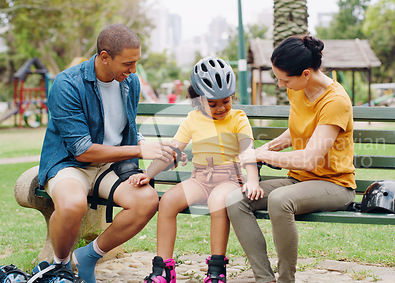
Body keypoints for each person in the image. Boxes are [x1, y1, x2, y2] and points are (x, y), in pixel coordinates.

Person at [36, 24, 177, 283]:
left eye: (136, 62)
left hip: (110, 166)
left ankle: (88, 255)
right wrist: (138, 149)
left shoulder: (129, 82)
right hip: (70, 164)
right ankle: (61, 267)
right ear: (104, 57)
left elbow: (126, 127)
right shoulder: (67, 84)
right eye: (128, 63)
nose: (133, 70)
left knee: (146, 201)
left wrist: (160, 150)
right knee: (72, 204)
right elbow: (82, 151)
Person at [226, 35, 356, 283]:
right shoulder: (299, 89)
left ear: (306, 73)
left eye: (284, 79)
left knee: (279, 199)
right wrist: (265, 148)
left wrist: (263, 154)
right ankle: (265, 278)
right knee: (235, 199)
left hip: (335, 185)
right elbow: (297, 130)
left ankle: (286, 279)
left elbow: (309, 159)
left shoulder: (335, 101)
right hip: (299, 180)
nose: (280, 84)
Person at [133, 57, 262, 283]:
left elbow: (248, 151)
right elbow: (172, 150)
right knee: (168, 202)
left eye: (226, 101)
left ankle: (216, 270)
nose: (221, 108)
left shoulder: (238, 118)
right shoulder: (192, 119)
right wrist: (148, 174)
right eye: (213, 104)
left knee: (217, 203)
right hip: (200, 178)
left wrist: (252, 179)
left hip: (228, 180)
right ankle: (163, 268)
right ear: (198, 99)